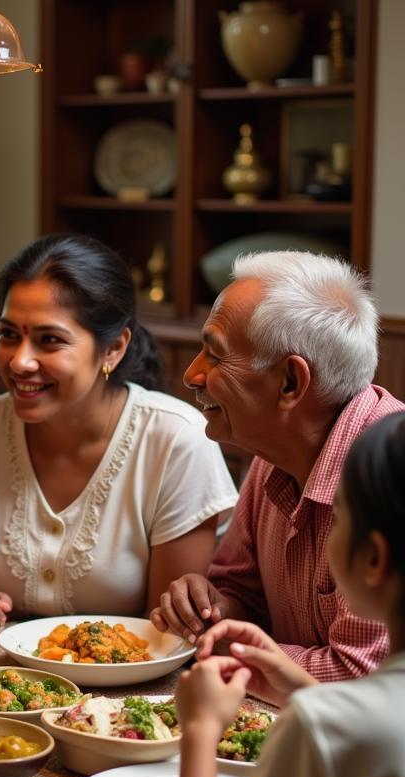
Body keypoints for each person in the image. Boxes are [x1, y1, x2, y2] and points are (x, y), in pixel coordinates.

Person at [172, 411, 405, 777]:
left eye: (339, 521)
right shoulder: (343, 720)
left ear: (372, 559)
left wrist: (200, 732)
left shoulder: (327, 729)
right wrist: (293, 683)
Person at [0, 233, 238, 620]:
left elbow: (169, 635)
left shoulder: (176, 440)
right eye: (8, 335)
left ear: (114, 348)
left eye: (49, 340)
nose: (20, 361)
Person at [151, 251, 405, 681]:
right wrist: (210, 608)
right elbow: (239, 592)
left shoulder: (387, 475)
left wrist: (227, 644)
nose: (192, 375)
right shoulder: (275, 450)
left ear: (290, 382)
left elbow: (359, 677)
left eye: (215, 356)